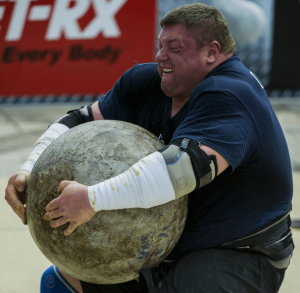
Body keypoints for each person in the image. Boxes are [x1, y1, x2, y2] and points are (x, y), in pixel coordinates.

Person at [4, 3, 294, 293]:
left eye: (174, 47)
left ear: (211, 52)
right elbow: (77, 121)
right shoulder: (146, 82)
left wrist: (90, 199)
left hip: (240, 253)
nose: (160, 56)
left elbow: (180, 170)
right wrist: (29, 168)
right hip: (166, 244)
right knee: (59, 283)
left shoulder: (230, 93)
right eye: (160, 45)